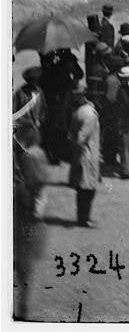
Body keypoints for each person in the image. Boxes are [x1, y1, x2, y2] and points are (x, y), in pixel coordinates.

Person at [13, 121, 48, 318]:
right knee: (23, 266)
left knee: (22, 266)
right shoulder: (31, 155)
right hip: (24, 215)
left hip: (23, 213)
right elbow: (38, 182)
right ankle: (21, 308)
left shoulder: (29, 155)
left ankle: (21, 308)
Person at [68, 86, 101, 228]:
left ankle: (83, 217)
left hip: (83, 153)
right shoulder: (89, 114)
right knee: (87, 189)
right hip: (87, 154)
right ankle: (83, 219)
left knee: (84, 188)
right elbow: (81, 137)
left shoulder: (79, 112)